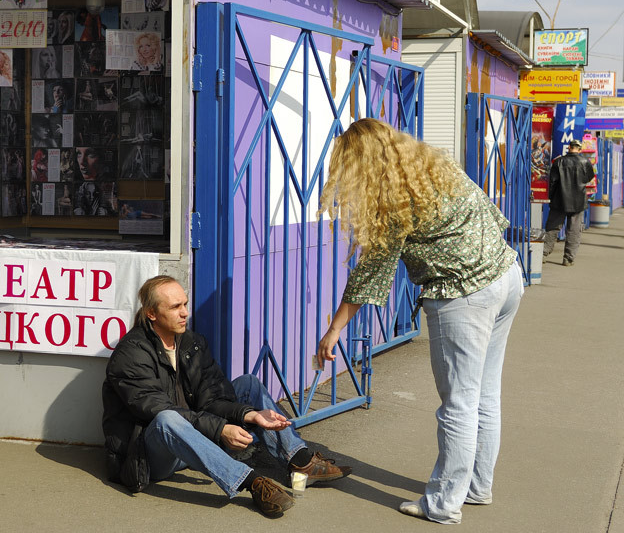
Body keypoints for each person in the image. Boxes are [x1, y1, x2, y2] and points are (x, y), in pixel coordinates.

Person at [315, 118, 524, 525]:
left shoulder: (395, 200)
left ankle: (444, 503)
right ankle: (477, 487)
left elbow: (372, 271)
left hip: (463, 297)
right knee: (484, 395)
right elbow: (493, 215)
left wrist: (335, 328)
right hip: (505, 277)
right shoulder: (436, 167)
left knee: (459, 404)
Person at [103, 276, 350, 517]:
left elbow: (212, 398)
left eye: (185, 304)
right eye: (175, 307)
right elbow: (156, 409)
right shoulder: (131, 354)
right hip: (150, 456)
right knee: (167, 418)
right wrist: (221, 430)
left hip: (197, 436)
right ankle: (250, 482)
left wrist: (250, 414)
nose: (185, 313)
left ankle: (301, 460)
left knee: (248, 384)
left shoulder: (192, 343)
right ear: (151, 314)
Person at [542, 140, 595, 266]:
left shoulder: (559, 162)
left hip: (559, 200)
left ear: (569, 148)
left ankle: (544, 253)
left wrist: (551, 197)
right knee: (574, 230)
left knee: (552, 228)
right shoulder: (585, 162)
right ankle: (568, 258)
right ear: (580, 149)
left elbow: (553, 182)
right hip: (578, 202)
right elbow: (589, 178)